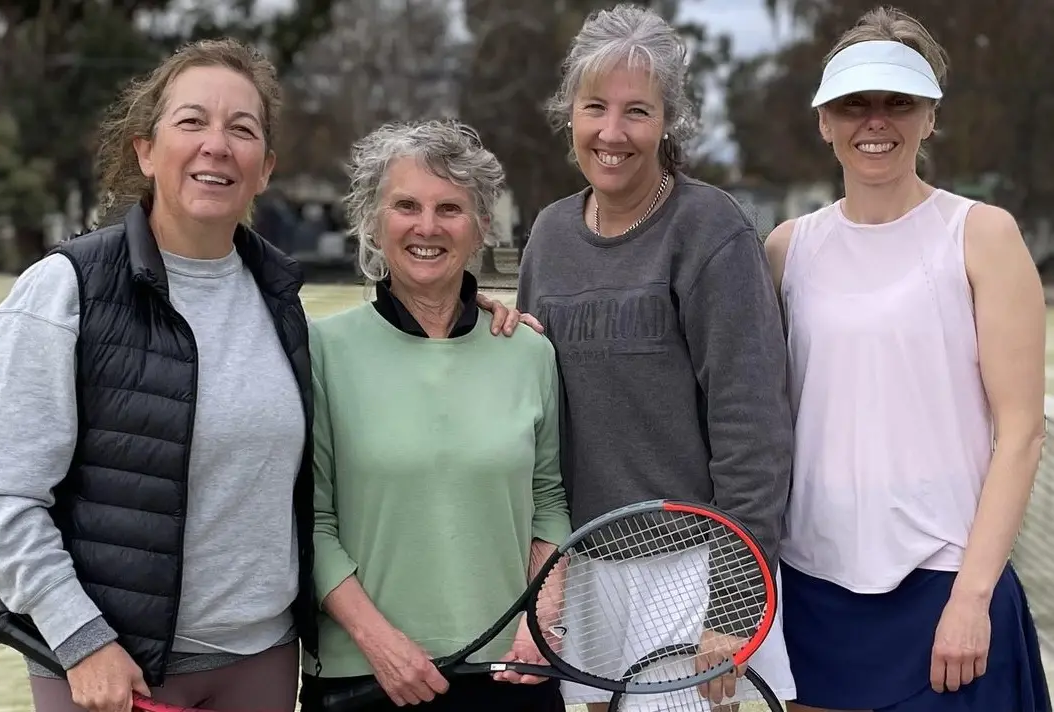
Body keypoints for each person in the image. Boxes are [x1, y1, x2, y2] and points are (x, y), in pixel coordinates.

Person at [0, 40, 530, 712]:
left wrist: (464, 305)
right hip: (113, 672)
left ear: (265, 167)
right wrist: (82, 640)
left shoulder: (280, 298)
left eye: (241, 129)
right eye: (191, 122)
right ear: (145, 151)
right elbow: (4, 500)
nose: (216, 144)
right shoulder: (62, 291)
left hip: (261, 667)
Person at [763, 7, 1052, 712]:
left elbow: (1020, 434)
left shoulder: (981, 235)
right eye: (854, 104)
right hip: (813, 594)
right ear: (825, 120)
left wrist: (971, 597)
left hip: (947, 591)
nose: (876, 121)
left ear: (929, 117)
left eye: (899, 103)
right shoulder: (784, 249)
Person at [517, 4, 797, 709]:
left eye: (636, 111)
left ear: (668, 120)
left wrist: (734, 607)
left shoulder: (710, 229)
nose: (612, 134)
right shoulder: (549, 234)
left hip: (689, 569)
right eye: (594, 108)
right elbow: (532, 397)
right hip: (581, 566)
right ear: (569, 115)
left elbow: (752, 425)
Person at [296, 119, 573, 712]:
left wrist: (541, 616)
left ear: (480, 228)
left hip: (511, 673)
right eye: (406, 205)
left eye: (450, 208)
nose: (427, 226)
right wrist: (381, 644)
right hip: (365, 677)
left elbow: (548, 501)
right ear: (374, 221)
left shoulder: (529, 352)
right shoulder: (322, 350)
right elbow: (310, 521)